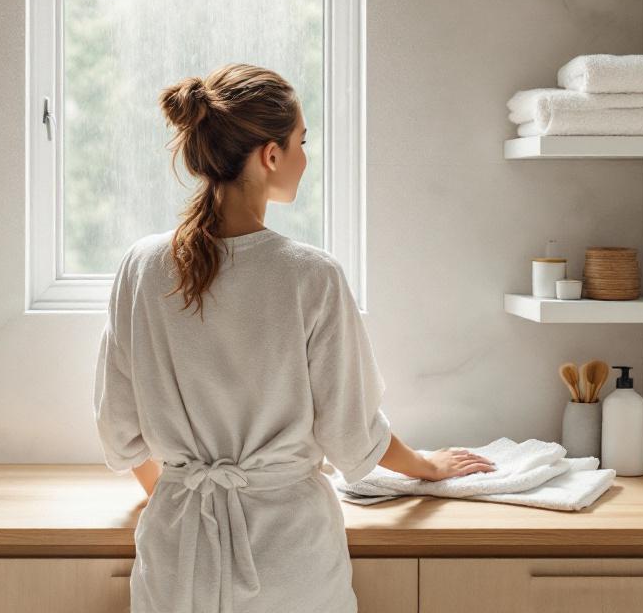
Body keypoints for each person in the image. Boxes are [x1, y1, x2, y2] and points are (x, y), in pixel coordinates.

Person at [93, 63, 495, 613]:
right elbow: (352, 437)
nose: (306, 158)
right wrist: (429, 467)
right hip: (289, 560)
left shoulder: (140, 266)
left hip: (174, 559)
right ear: (271, 154)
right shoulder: (310, 275)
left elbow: (119, 432)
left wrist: (186, 501)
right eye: (302, 142)